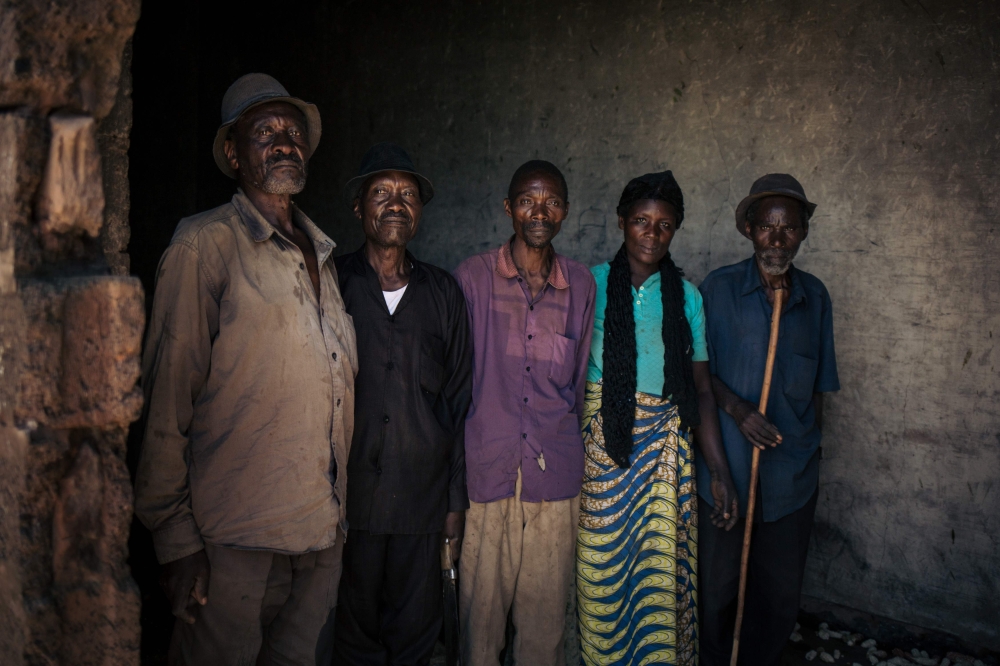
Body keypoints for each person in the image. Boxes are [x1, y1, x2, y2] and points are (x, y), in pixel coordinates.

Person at [133, 73, 357, 665]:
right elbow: (166, 401)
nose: (285, 144)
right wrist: (175, 542)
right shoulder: (203, 246)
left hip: (318, 537)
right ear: (233, 153)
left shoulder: (323, 254)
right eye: (266, 133)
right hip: (231, 543)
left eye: (293, 133)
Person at [577, 171, 739, 666]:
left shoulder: (687, 298)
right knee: (599, 567)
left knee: (656, 574)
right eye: (642, 221)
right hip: (602, 453)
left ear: (676, 231)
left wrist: (719, 470)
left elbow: (702, 390)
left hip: (664, 458)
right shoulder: (589, 284)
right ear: (622, 222)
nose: (652, 233)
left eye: (664, 225)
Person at [332, 143, 472, 665]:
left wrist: (455, 501)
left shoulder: (443, 293)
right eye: (382, 192)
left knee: (415, 639)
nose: (396, 203)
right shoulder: (332, 282)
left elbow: (459, 400)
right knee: (351, 638)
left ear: (419, 212)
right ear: (358, 208)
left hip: (421, 503)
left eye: (408, 194)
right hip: (349, 502)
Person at [453, 160, 596, 666]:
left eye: (552, 201)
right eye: (528, 200)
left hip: (552, 481)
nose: (540, 211)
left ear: (565, 212)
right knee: (480, 625)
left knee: (543, 627)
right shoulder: (472, 277)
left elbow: (577, 385)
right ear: (508, 207)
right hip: (486, 475)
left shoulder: (579, 284)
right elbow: (456, 383)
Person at [697, 174, 840, 666]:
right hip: (725, 476)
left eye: (790, 229)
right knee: (715, 592)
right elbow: (693, 377)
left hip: (789, 483)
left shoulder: (815, 298)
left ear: (803, 233)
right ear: (748, 230)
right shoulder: (716, 290)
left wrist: (806, 459)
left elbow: (820, 392)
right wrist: (737, 409)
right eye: (767, 228)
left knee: (777, 599)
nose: (777, 241)